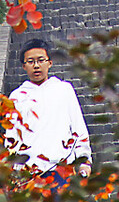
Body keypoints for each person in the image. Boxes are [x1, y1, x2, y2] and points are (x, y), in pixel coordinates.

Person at [7, 39, 92, 187]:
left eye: (41, 60)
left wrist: (84, 160)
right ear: (24, 66)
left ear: (50, 63)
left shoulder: (64, 89)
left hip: (60, 167)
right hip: (28, 172)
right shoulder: (17, 97)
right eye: (31, 61)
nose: (36, 66)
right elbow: (11, 135)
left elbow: (78, 127)